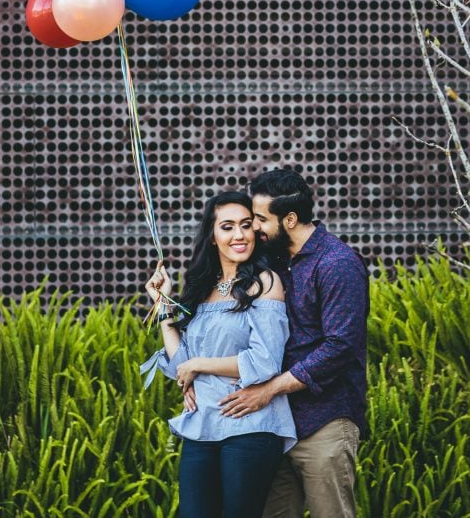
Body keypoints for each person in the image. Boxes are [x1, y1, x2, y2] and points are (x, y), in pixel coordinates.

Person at [217, 169, 369, 518]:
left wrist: (269, 389)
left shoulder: (337, 264)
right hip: (275, 425)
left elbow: (339, 347)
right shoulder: (273, 260)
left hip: (324, 421)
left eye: (259, 219)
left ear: (289, 218)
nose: (253, 227)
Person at [141, 190, 297, 518]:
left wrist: (200, 364)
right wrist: (162, 304)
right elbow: (181, 366)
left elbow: (265, 361)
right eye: (227, 227)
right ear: (212, 236)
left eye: (245, 225)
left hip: (250, 424)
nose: (238, 235)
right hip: (203, 423)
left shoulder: (265, 282)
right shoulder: (202, 287)